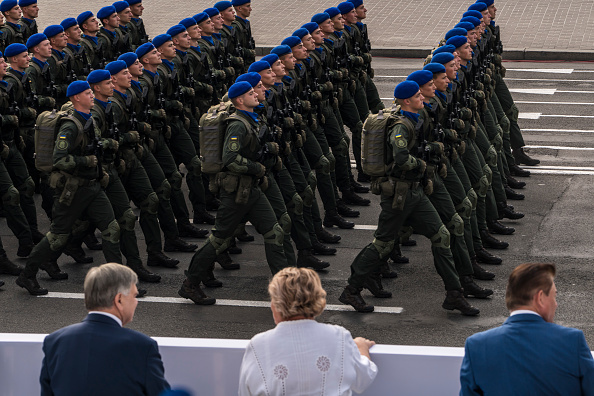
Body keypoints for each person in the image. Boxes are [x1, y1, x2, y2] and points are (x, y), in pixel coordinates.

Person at [239, 267, 378, 395]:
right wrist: (362, 349)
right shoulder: (338, 337)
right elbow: (362, 380)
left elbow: (245, 391)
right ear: (319, 303)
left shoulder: (258, 345)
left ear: (275, 305)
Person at [460, 263, 594, 395]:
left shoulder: (476, 346)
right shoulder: (572, 341)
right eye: (554, 296)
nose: (556, 304)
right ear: (540, 298)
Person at [40, 263, 170, 396]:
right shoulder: (143, 346)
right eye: (134, 296)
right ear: (119, 300)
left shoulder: (54, 341)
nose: (136, 302)